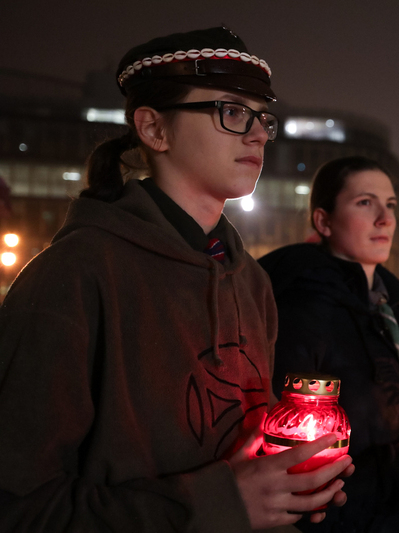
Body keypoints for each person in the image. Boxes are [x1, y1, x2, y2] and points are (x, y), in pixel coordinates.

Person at [0, 27, 353, 532]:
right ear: (153, 129)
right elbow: (19, 507)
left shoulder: (251, 281)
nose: (257, 133)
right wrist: (219, 503)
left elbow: (239, 439)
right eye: (232, 111)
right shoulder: (73, 276)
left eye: (262, 118)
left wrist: (290, 477)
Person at [258, 156, 399, 533]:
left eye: (390, 205)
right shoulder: (301, 310)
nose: (385, 219)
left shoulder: (392, 311)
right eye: (365, 203)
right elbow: (288, 465)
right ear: (323, 221)